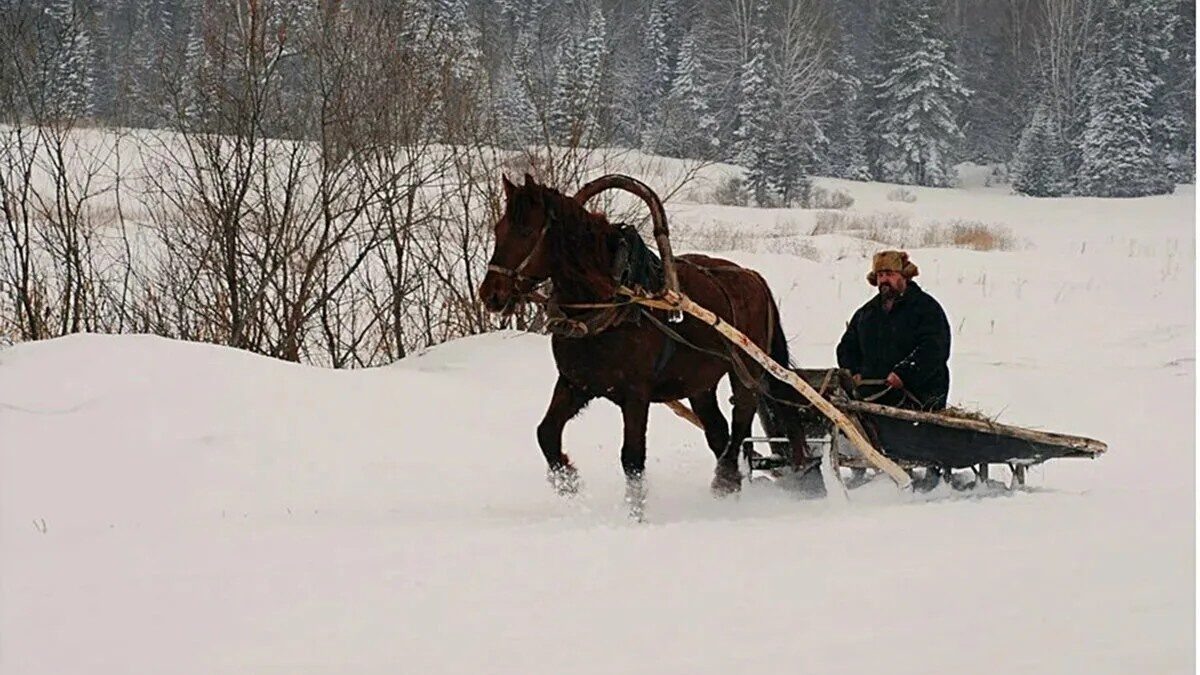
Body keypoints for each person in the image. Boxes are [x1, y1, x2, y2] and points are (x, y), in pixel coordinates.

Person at [836, 250, 950, 411]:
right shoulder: (866, 313)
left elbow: (934, 348)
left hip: (919, 399)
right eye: (880, 275)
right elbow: (847, 347)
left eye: (889, 274)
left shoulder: (926, 309)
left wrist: (904, 375)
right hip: (870, 399)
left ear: (904, 275)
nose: (884, 280)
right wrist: (853, 371)